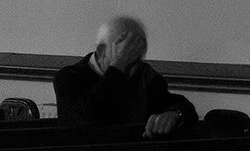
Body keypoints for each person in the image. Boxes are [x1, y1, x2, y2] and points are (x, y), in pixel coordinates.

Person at [52, 16, 197, 136]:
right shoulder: (68, 78)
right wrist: (118, 66)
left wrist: (174, 114)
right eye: (125, 53)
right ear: (102, 50)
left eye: (136, 57)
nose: (133, 67)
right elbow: (90, 117)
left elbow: (184, 107)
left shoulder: (145, 76)